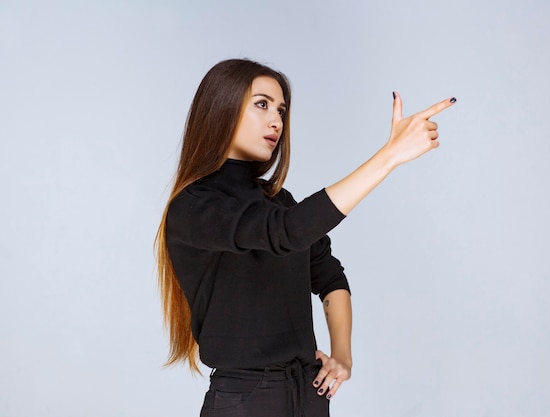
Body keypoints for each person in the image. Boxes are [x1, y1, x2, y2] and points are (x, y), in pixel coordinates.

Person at [155, 58, 455, 417]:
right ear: (222, 107)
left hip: (309, 394)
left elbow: (330, 278)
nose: (276, 120)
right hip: (246, 400)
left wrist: (342, 357)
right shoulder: (194, 207)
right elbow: (286, 232)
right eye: (262, 104)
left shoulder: (279, 203)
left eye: (281, 110)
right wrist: (388, 157)